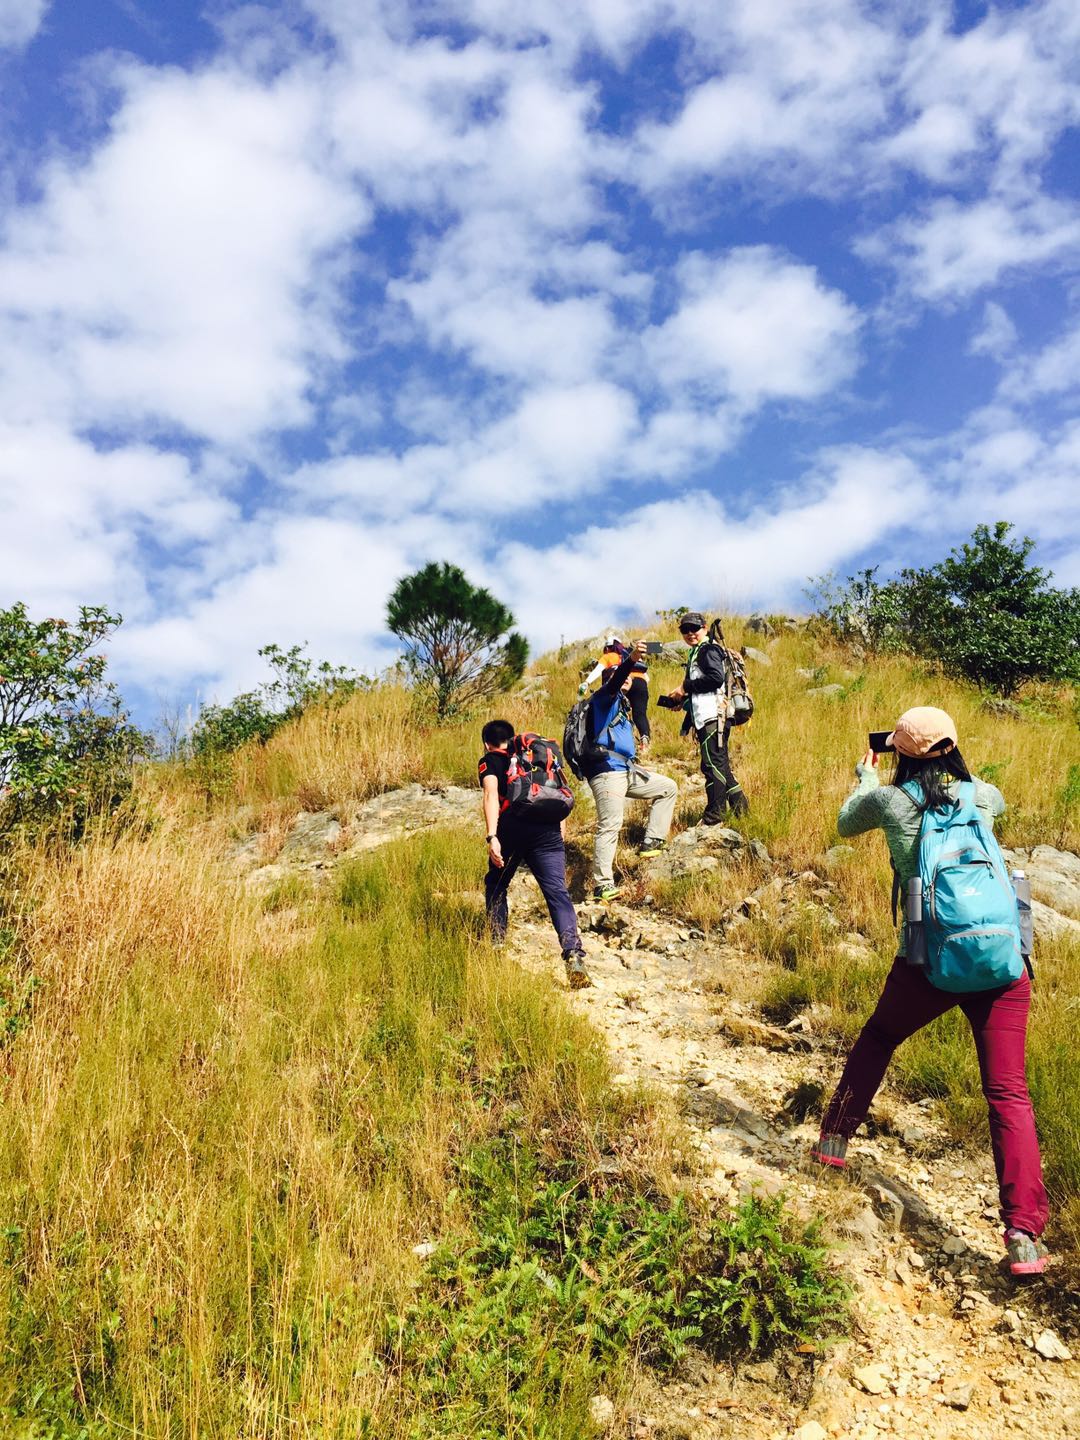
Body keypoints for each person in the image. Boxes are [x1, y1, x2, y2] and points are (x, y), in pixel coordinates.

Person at [813, 706, 1049, 1278]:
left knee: (879, 1036)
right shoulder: (983, 795)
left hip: (929, 960)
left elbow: (845, 821)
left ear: (902, 753)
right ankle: (1024, 1236)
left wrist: (867, 775)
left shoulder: (892, 801)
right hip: (1001, 962)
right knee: (1008, 1094)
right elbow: (997, 809)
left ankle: (835, 1143)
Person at [478, 719, 591, 989]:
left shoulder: (491, 760)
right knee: (557, 893)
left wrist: (493, 836)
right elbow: (555, 794)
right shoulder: (535, 758)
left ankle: (496, 943)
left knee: (496, 883)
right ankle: (573, 954)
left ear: (486, 743)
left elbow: (491, 794)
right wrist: (559, 836)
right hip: (548, 830)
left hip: (512, 828)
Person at [580, 640, 678, 902]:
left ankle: (652, 841)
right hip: (607, 772)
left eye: (624, 679)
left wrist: (639, 746)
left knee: (668, 787)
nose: (622, 681)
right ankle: (602, 884)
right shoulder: (602, 698)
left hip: (626, 769)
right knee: (611, 824)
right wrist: (631, 659)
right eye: (616, 677)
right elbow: (616, 678)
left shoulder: (623, 706)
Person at [665, 613, 748, 822]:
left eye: (694, 628)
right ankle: (742, 812)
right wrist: (683, 702)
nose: (690, 633)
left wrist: (685, 686)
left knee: (712, 766)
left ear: (704, 628)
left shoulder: (707, 649)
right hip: (710, 716)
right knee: (719, 766)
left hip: (714, 717)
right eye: (685, 630)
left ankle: (714, 816)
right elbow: (707, 688)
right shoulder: (697, 652)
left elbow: (715, 678)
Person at [579, 636, 651, 750]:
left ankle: (618, 741)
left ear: (608, 648)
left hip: (621, 683)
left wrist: (587, 682)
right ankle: (645, 741)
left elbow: (598, 670)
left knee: (616, 713)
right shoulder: (627, 655)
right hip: (640, 682)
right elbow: (647, 678)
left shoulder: (609, 656)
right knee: (640, 713)